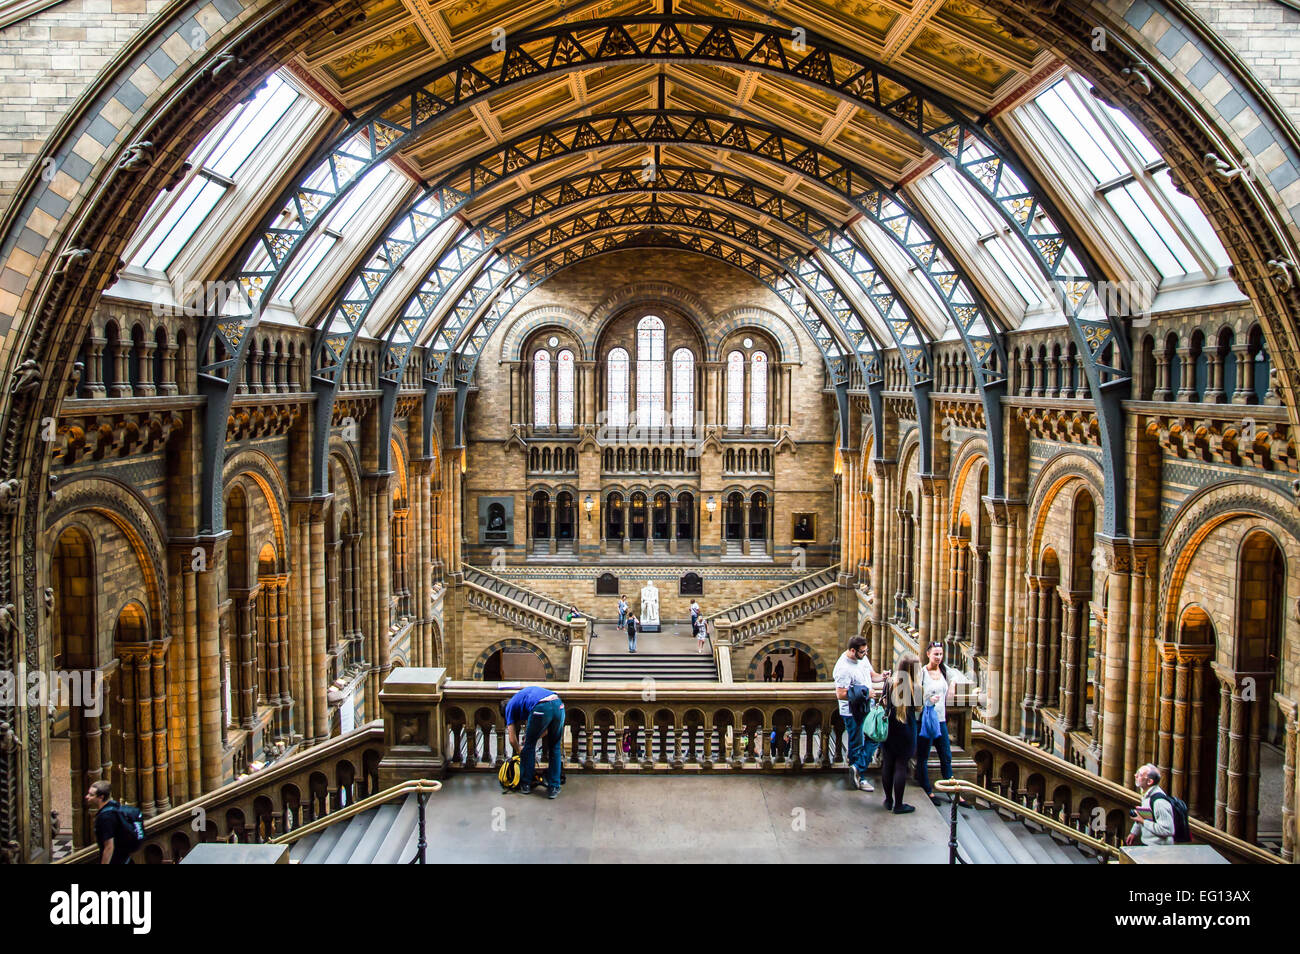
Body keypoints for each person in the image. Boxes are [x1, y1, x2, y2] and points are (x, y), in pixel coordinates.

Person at [914, 641, 965, 806]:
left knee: (946, 755)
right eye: (936, 654)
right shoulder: (921, 673)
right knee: (923, 756)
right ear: (928, 654)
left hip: (941, 720)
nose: (939, 657)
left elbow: (955, 674)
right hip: (927, 720)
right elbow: (915, 696)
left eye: (941, 654)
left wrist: (953, 684)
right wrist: (928, 699)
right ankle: (927, 789)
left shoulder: (944, 670)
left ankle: (951, 790)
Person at [834, 636, 884, 792]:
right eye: (862, 652)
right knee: (857, 744)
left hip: (866, 708)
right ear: (852, 650)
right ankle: (860, 778)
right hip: (852, 711)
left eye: (866, 651)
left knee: (875, 736)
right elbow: (841, 693)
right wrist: (865, 693)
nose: (865, 654)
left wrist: (882, 676)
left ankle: (857, 767)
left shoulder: (862, 658)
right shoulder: (843, 668)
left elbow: (871, 675)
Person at [500, 686, 565, 799]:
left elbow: (512, 739)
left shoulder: (509, 708)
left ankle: (526, 784)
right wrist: (534, 736)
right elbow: (547, 729)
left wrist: (520, 749)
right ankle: (554, 786)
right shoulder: (521, 699)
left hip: (541, 707)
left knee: (529, 747)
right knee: (555, 747)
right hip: (558, 705)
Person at [880, 652, 921, 814]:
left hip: (890, 728)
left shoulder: (890, 682)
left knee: (888, 763)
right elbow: (918, 708)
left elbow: (884, 701)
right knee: (901, 766)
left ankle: (888, 801)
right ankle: (898, 805)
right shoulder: (916, 687)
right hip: (906, 729)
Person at [1125, 764, 1177, 846]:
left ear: (1149, 781)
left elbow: (1167, 830)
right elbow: (1145, 817)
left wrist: (1142, 821)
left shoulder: (1159, 802)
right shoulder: (1146, 794)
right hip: (1149, 844)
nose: (1135, 775)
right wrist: (1133, 832)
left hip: (1158, 848)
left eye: (1140, 774)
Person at [86, 780, 132, 864]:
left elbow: (109, 847)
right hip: (125, 859)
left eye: (91, 795)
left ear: (101, 797)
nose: (87, 797)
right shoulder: (114, 805)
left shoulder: (105, 818)